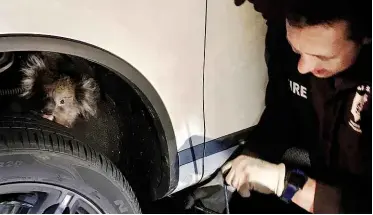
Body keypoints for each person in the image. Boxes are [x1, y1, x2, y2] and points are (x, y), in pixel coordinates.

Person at [223, 0, 372, 213]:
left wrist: (286, 183)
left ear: (365, 39)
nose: (303, 67)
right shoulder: (286, 42)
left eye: (322, 57)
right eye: (296, 50)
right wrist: (255, 155)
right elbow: (282, 113)